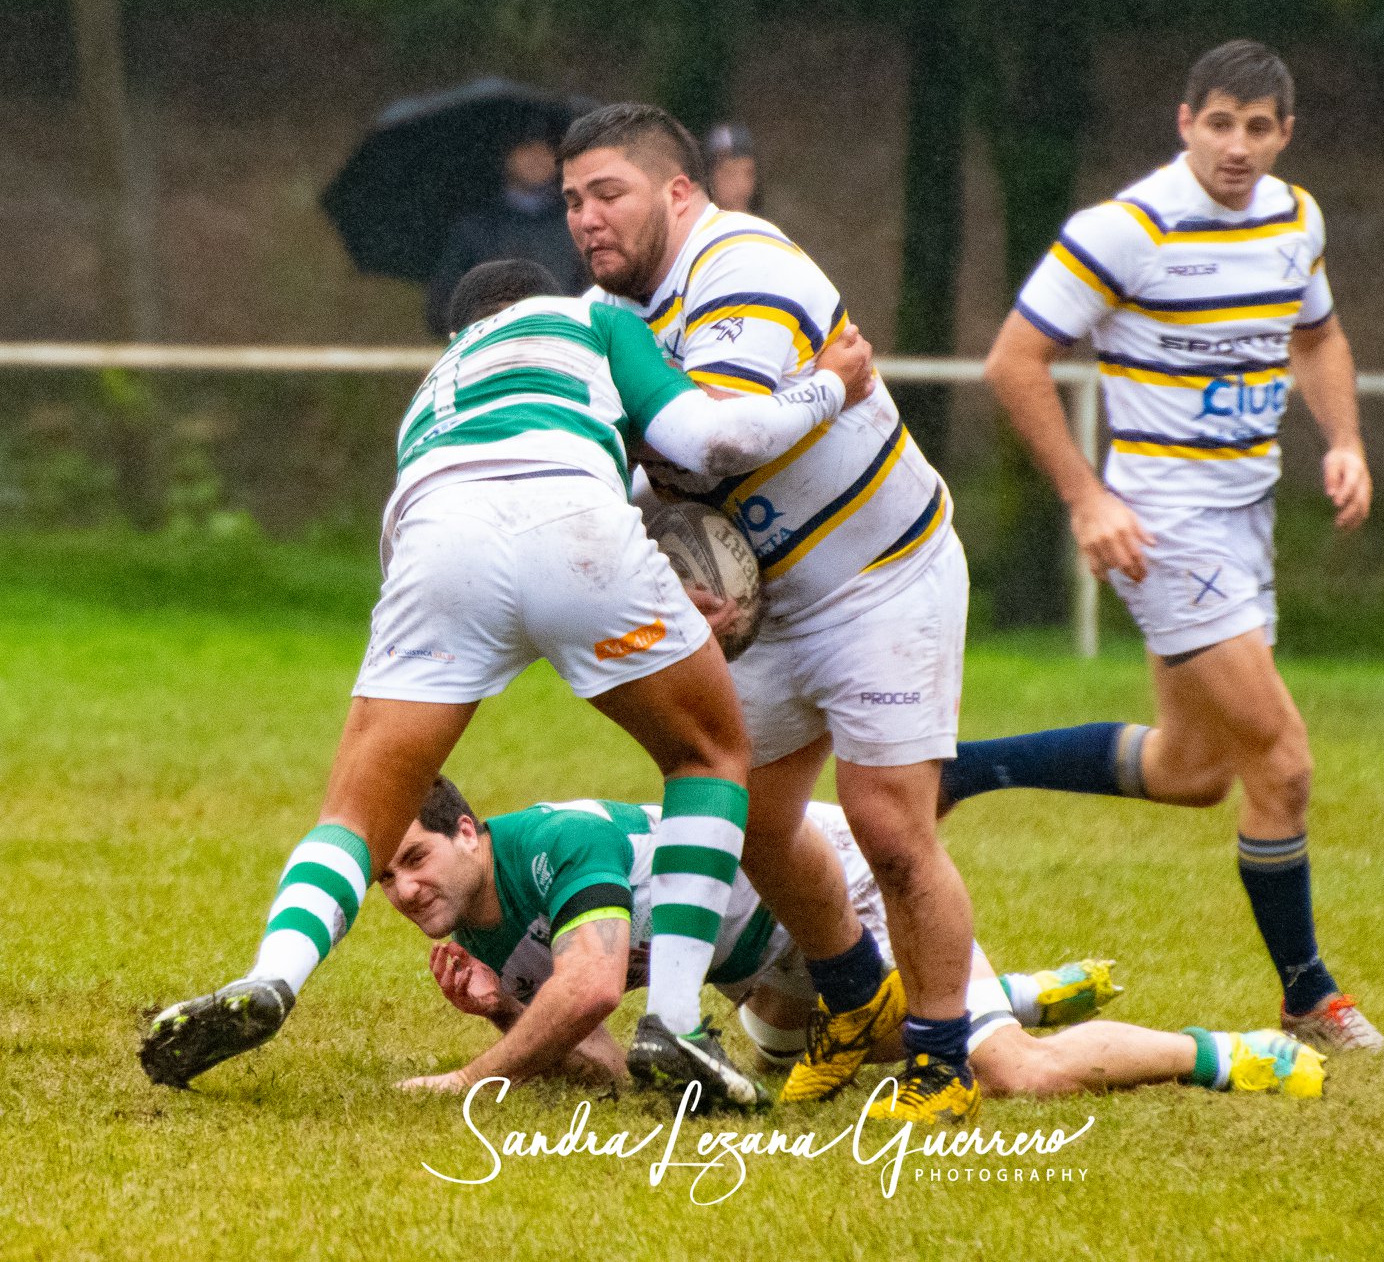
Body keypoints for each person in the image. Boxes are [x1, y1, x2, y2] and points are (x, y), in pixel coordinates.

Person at [140, 258, 877, 1104]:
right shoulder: (592, 322)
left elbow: (451, 543)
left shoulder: (437, 387)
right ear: (547, 298)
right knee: (707, 754)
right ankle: (674, 1020)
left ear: (458, 333)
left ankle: (273, 976)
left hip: (437, 544)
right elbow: (708, 441)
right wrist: (827, 384)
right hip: (572, 521)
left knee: (356, 812)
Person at [979, 39, 1384, 1057]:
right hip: (1163, 523)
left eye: (1258, 127)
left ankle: (957, 770)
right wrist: (1086, 499)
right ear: (1184, 122)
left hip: (1244, 514)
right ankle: (1308, 995)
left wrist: (1342, 439)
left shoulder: (1293, 219)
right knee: (1282, 761)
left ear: (1282, 135)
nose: (1237, 145)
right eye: (1219, 122)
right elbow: (1013, 361)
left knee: (1189, 768)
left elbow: (1316, 336)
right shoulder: (1123, 230)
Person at [561, 104, 986, 1122]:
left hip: (883, 576)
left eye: (608, 193)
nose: (585, 218)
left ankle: (939, 1059)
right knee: (738, 812)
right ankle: (851, 993)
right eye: (571, 200)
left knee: (888, 825)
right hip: (775, 608)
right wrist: (674, 574)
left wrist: (816, 396)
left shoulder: (740, 265)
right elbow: (627, 480)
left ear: (678, 192)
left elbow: (716, 445)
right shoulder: (606, 318)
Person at [381, 779, 1326, 1102]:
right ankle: (1021, 989)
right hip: (769, 982)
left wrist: (469, 1080)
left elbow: (588, 992)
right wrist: (506, 1009)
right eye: (386, 877)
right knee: (798, 1060)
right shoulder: (480, 931)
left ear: (469, 829)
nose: (406, 887)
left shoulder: (553, 845)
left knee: (1007, 1074)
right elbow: (620, 1066)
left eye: (416, 855)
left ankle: (1228, 1052)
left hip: (840, 892)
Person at [425, 135, 589, 336]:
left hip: (563, 344)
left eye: (547, 150)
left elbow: (593, 298)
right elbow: (442, 308)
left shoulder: (578, 222)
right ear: (505, 155)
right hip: (490, 347)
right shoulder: (476, 227)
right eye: (527, 148)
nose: (537, 158)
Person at [704, 123, 762, 215]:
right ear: (710, 176)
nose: (742, 184)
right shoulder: (696, 226)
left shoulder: (760, 227)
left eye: (748, 174)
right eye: (730, 174)